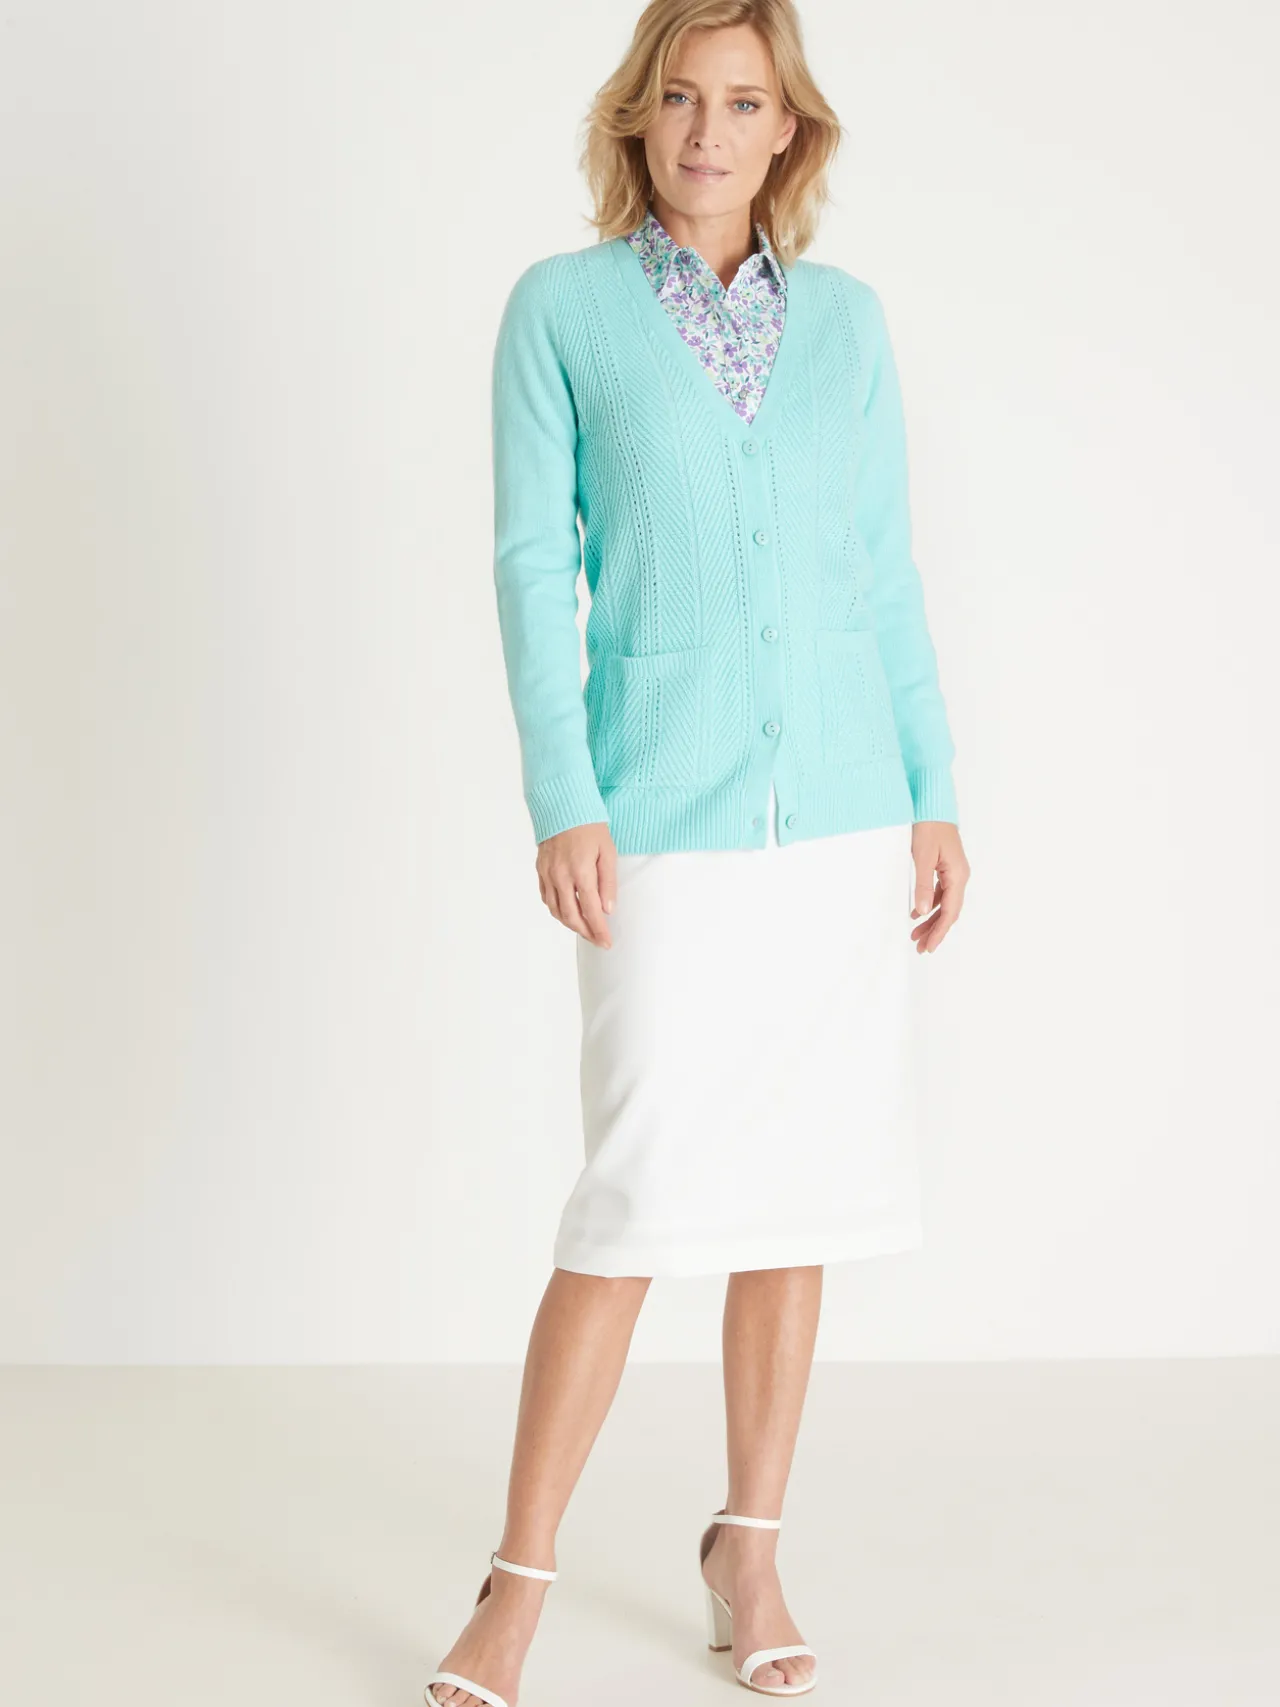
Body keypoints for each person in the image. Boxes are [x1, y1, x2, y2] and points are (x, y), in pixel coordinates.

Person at [424, 2, 970, 1702]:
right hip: (657, 806)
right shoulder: (564, 311)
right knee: (633, 1199)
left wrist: (934, 788)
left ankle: (752, 1542)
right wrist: (564, 796)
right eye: (682, 97)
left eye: (745, 101)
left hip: (845, 814)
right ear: (639, 115)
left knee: (797, 1195)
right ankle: (520, 1575)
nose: (711, 131)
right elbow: (535, 569)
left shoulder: (849, 324)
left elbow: (883, 568)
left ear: (789, 127)